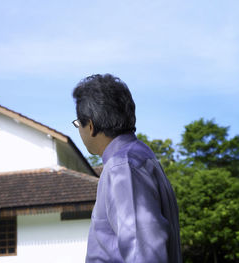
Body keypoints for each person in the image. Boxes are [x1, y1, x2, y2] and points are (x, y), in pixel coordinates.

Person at [72, 74, 182, 263]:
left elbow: (144, 252)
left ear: (90, 125)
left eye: (77, 124)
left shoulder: (122, 167)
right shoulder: (142, 157)